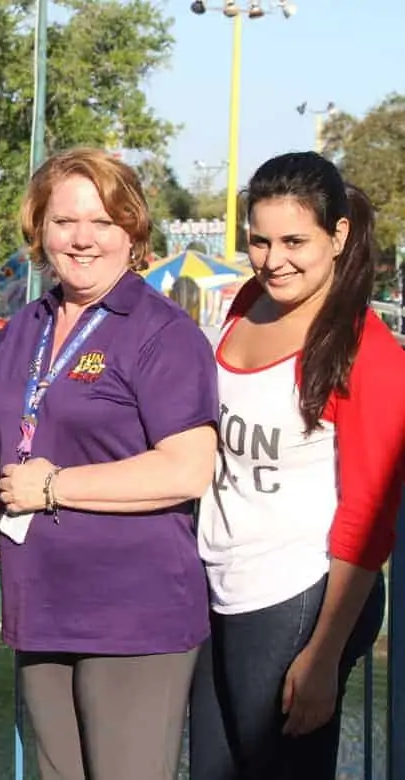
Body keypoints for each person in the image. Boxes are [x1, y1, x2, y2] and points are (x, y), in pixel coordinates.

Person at [0, 147, 219, 780]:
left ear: (132, 232)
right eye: (63, 221)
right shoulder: (22, 328)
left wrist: (51, 486)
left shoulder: (162, 333)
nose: (82, 240)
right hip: (41, 606)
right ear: (38, 229)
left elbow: (187, 469)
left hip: (133, 612)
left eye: (102, 222)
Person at [189, 152, 405, 779]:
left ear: (338, 236)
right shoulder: (248, 301)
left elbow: (367, 520)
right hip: (219, 580)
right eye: (259, 240)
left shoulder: (370, 353)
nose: (273, 258)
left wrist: (323, 656)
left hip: (298, 598)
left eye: (294, 241)